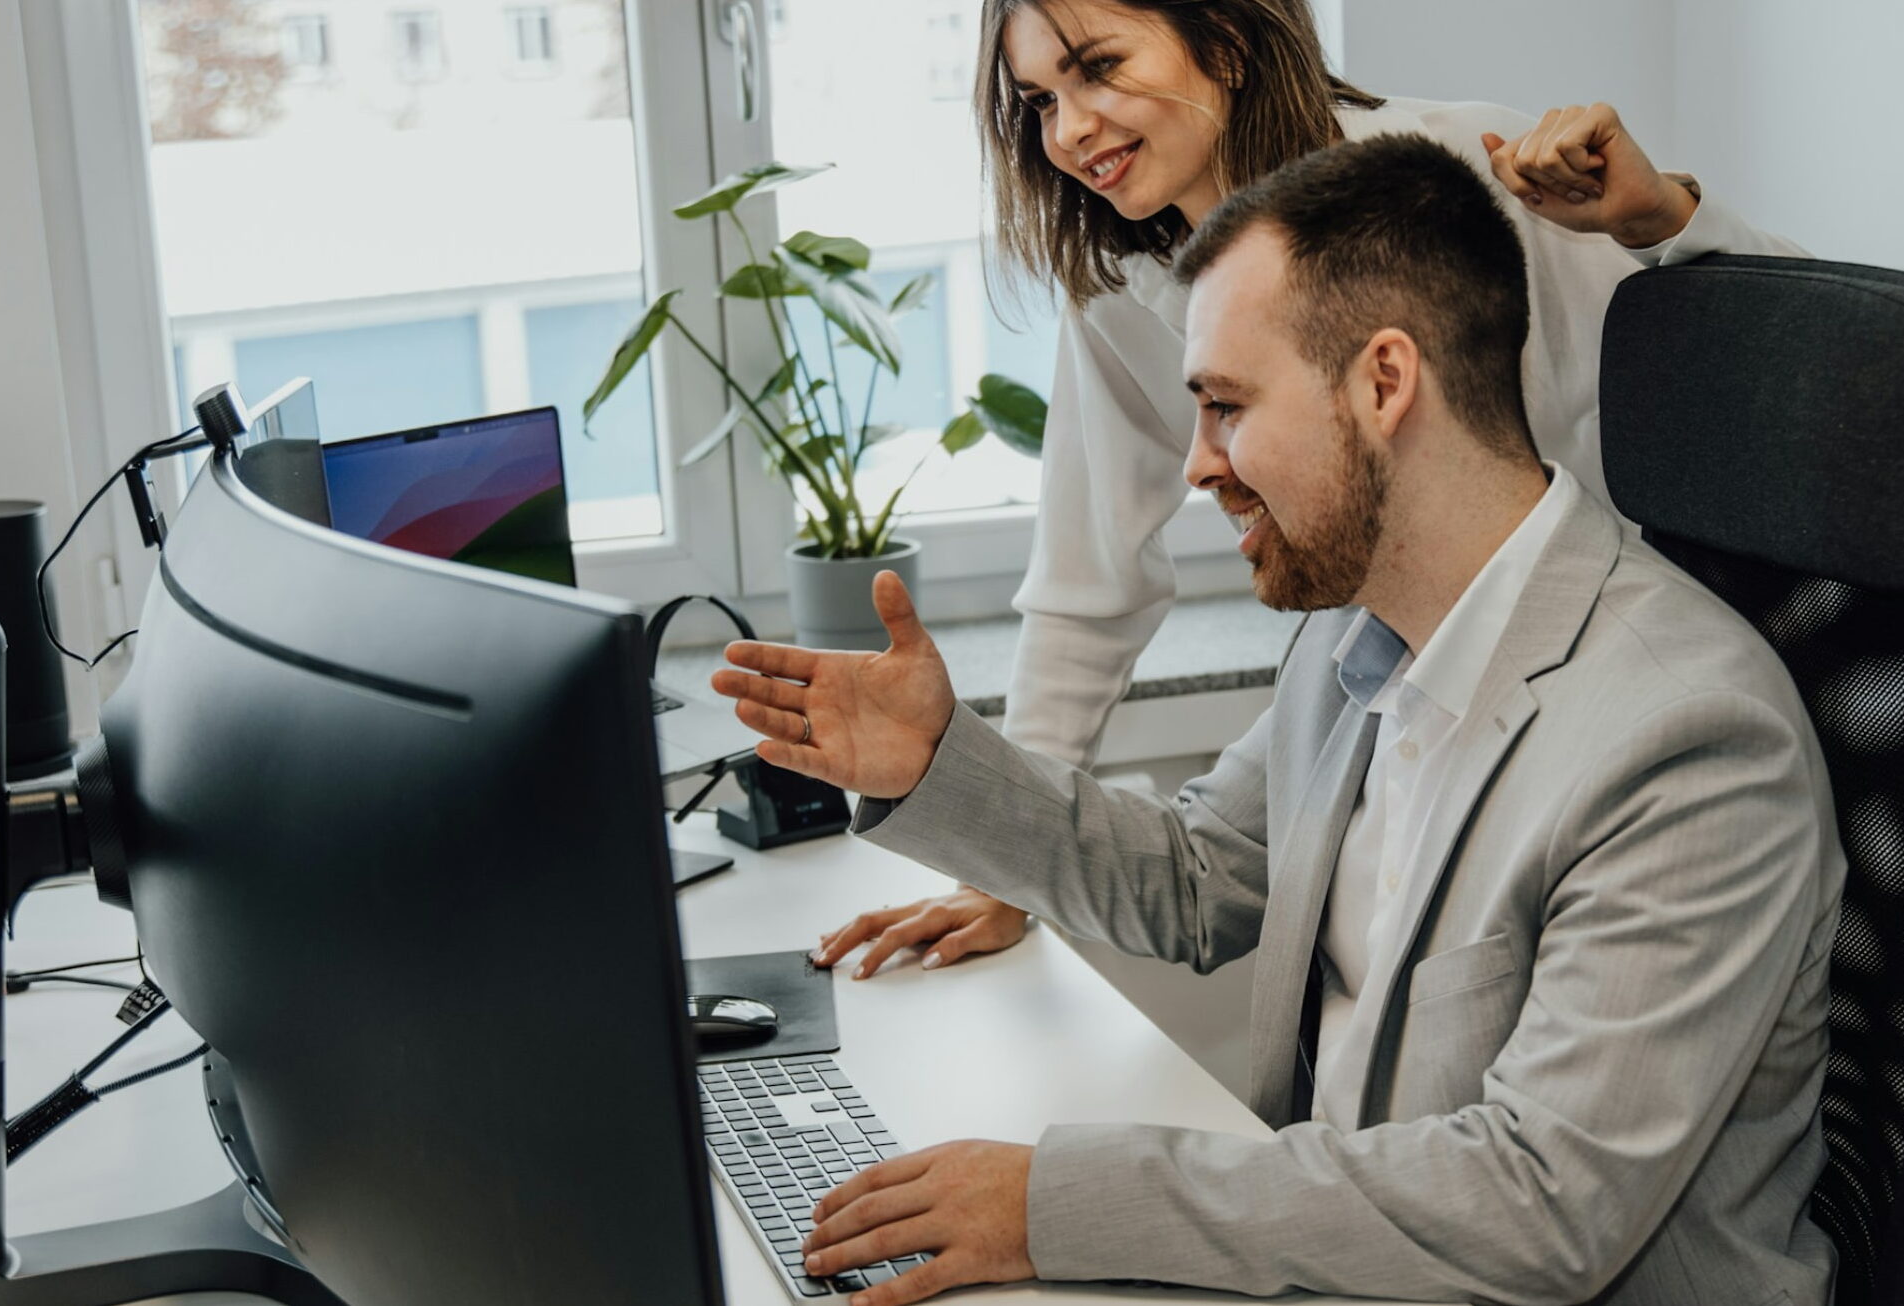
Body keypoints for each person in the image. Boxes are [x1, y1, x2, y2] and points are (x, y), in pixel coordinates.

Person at [712, 135, 1844, 1306]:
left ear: (1383, 382)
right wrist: (936, 765)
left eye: (1226, 406)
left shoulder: (1687, 739)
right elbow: (1203, 879)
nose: (1199, 465)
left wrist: (1053, 1204)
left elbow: (1541, 1205)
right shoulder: (1357, 634)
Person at [812, 0, 1809, 977]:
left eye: (1098, 68)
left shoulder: (1444, 181)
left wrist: (1659, 218)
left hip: (1589, 684)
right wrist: (1001, 870)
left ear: (1229, 41)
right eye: (1036, 99)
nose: (1068, 130)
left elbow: (1805, 377)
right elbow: (1092, 579)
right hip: (1402, 658)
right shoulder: (1125, 278)